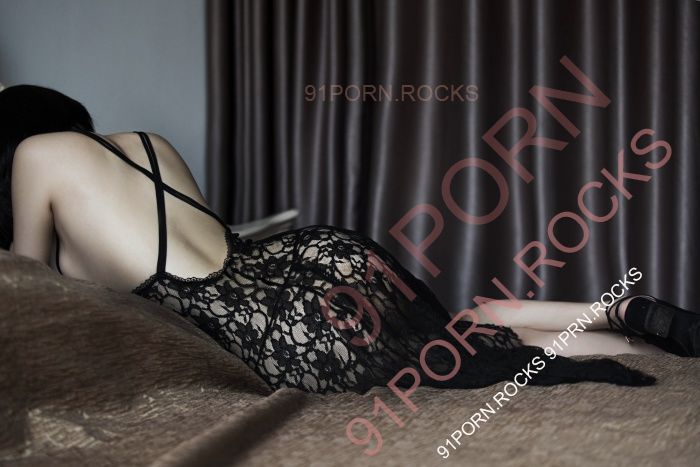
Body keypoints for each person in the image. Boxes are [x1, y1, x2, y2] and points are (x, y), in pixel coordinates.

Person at [1, 84, 698, 394]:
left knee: (463, 352)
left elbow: (28, 295)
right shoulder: (147, 141)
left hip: (279, 318)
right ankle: (628, 315)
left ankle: (629, 329)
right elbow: (210, 249)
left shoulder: (35, 156)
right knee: (464, 332)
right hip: (316, 256)